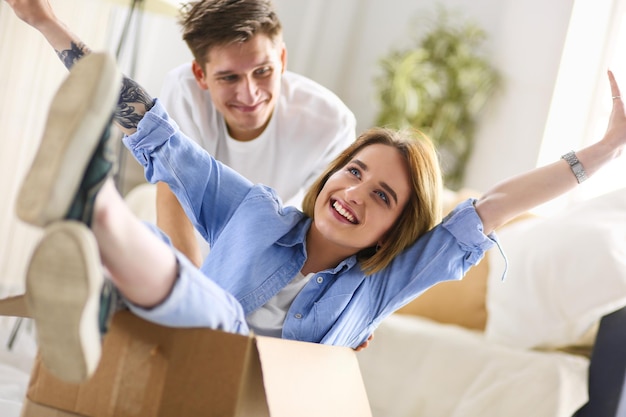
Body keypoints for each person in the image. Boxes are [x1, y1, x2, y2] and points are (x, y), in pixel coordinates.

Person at [7, 0, 626, 386]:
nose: (356, 192)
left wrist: (600, 153)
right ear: (332, 172)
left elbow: (490, 209)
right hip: (181, 352)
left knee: (223, 321)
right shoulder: (257, 211)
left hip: (251, 395)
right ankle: (94, 205)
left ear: (397, 231)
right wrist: (48, 22)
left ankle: (97, 221)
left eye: (384, 197)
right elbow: (154, 131)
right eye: (355, 171)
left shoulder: (388, 281)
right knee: (171, 257)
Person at [155, 0, 356, 267]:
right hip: (190, 254)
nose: (250, 94)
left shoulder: (331, 123)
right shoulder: (184, 91)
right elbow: (173, 192)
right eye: (229, 78)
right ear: (201, 75)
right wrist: (193, 295)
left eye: (262, 71)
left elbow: (322, 234)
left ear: (282, 60)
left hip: (272, 263)